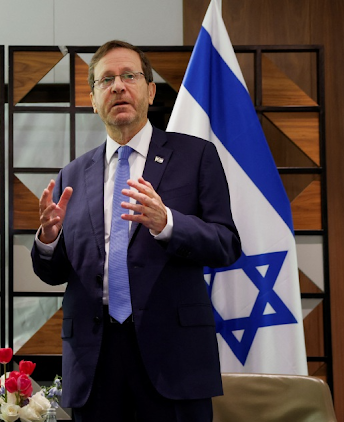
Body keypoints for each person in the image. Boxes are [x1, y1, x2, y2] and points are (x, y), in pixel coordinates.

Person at [31, 40, 241, 422]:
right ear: (94, 99)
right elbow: (54, 272)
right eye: (106, 80)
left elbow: (226, 245)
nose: (118, 86)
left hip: (173, 358)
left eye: (129, 76)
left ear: (150, 90)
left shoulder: (195, 157)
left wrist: (168, 224)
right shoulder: (73, 175)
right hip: (95, 362)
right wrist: (47, 239)